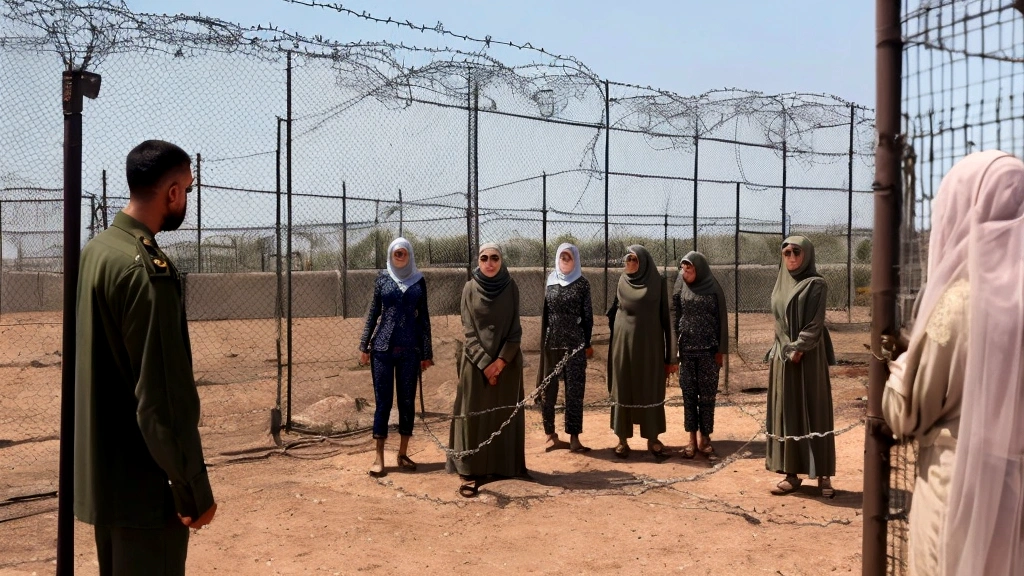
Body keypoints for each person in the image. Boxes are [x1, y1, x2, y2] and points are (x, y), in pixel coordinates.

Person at [75, 140, 216, 575]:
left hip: (106, 483)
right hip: (146, 490)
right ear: (172, 192)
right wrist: (192, 488)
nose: (187, 201)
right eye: (187, 191)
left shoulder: (98, 251)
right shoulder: (145, 270)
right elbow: (162, 399)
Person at [882, 150, 1024, 576]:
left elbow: (906, 413)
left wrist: (903, 364)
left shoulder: (962, 303)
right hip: (1014, 494)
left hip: (957, 489)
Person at [447, 243, 527, 496]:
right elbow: (468, 331)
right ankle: (470, 470)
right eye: (484, 258)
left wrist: (501, 362)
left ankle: (503, 467)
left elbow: (515, 330)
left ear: (501, 261)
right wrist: (485, 364)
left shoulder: (511, 287)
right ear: (478, 261)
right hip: (475, 364)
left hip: (507, 364)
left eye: (494, 258)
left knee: (502, 415)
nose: (489, 263)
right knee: (473, 415)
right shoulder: (469, 288)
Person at [765, 236, 836, 497]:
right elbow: (777, 322)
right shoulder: (780, 284)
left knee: (815, 409)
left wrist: (799, 347)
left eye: (797, 252)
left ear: (807, 254)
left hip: (807, 360)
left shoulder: (816, 284)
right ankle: (791, 473)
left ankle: (824, 475)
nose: (791, 257)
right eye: (786, 253)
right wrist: (781, 348)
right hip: (783, 358)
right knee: (788, 412)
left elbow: (815, 324)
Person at [359, 237, 434, 476]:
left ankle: (402, 453)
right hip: (381, 348)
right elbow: (373, 313)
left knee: (407, 402)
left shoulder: (418, 281)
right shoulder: (382, 278)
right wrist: (364, 346)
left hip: (410, 350)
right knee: (383, 402)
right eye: (396, 253)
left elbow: (424, 319)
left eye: (403, 253)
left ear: (409, 255)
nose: (400, 257)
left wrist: (426, 353)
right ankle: (379, 456)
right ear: (391, 255)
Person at [606, 245, 676, 459]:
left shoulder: (659, 283)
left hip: (650, 348)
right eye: (627, 259)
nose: (630, 264)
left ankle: (653, 438)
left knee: (650, 388)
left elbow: (667, 319)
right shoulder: (621, 281)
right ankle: (622, 439)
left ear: (644, 262)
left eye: (635, 260)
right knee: (623, 387)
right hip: (622, 346)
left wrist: (671, 356)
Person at [538, 243, 594, 453]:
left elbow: (587, 317)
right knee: (548, 390)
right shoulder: (551, 281)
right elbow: (545, 314)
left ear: (575, 259)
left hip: (575, 344)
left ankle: (574, 438)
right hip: (552, 344)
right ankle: (550, 435)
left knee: (574, 392)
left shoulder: (582, 284)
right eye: (562, 256)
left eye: (569, 257)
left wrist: (586, 343)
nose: (565, 260)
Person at [672, 251, 728, 459]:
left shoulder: (714, 287)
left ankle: (705, 438)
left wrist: (721, 351)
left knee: (706, 396)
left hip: (709, 351)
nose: (686, 272)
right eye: (683, 269)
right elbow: (675, 313)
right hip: (686, 351)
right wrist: (674, 347)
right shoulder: (680, 286)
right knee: (688, 396)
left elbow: (722, 319)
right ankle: (691, 440)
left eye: (690, 269)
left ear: (699, 269)